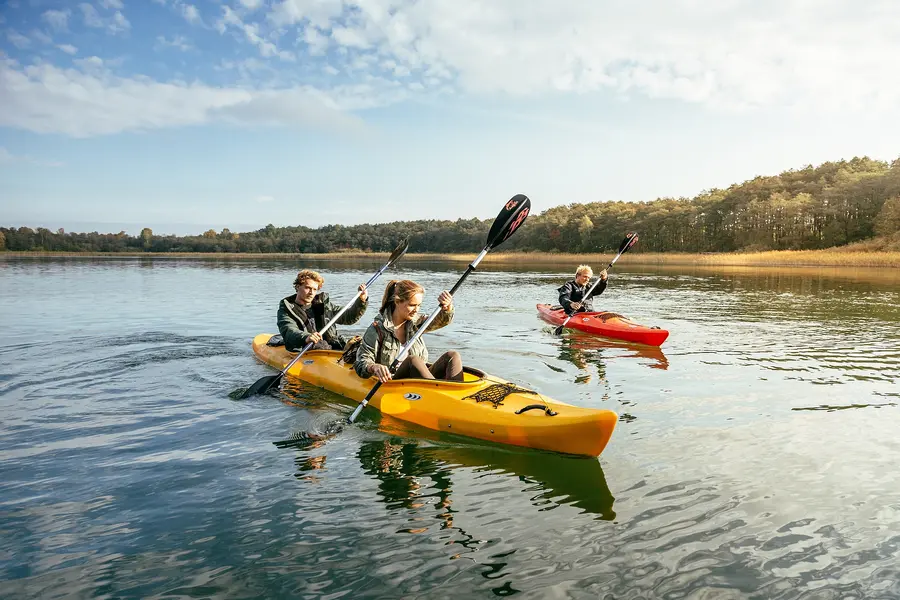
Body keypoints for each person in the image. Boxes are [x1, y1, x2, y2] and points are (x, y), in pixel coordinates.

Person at [354, 279, 463, 382]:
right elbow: (361, 362)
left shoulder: (417, 323)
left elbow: (441, 321)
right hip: (394, 382)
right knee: (412, 361)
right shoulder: (377, 329)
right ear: (397, 302)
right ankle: (437, 392)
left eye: (419, 305)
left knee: (452, 355)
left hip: (419, 378)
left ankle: (457, 394)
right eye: (412, 305)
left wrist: (447, 307)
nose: (416, 310)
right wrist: (374, 367)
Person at [277, 269, 369, 352]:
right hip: (306, 349)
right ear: (297, 287)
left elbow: (349, 317)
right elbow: (289, 330)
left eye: (314, 289)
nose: (311, 293)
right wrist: (306, 337)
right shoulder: (286, 309)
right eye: (307, 288)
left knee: (360, 343)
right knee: (320, 344)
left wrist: (361, 300)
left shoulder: (323, 305)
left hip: (332, 348)